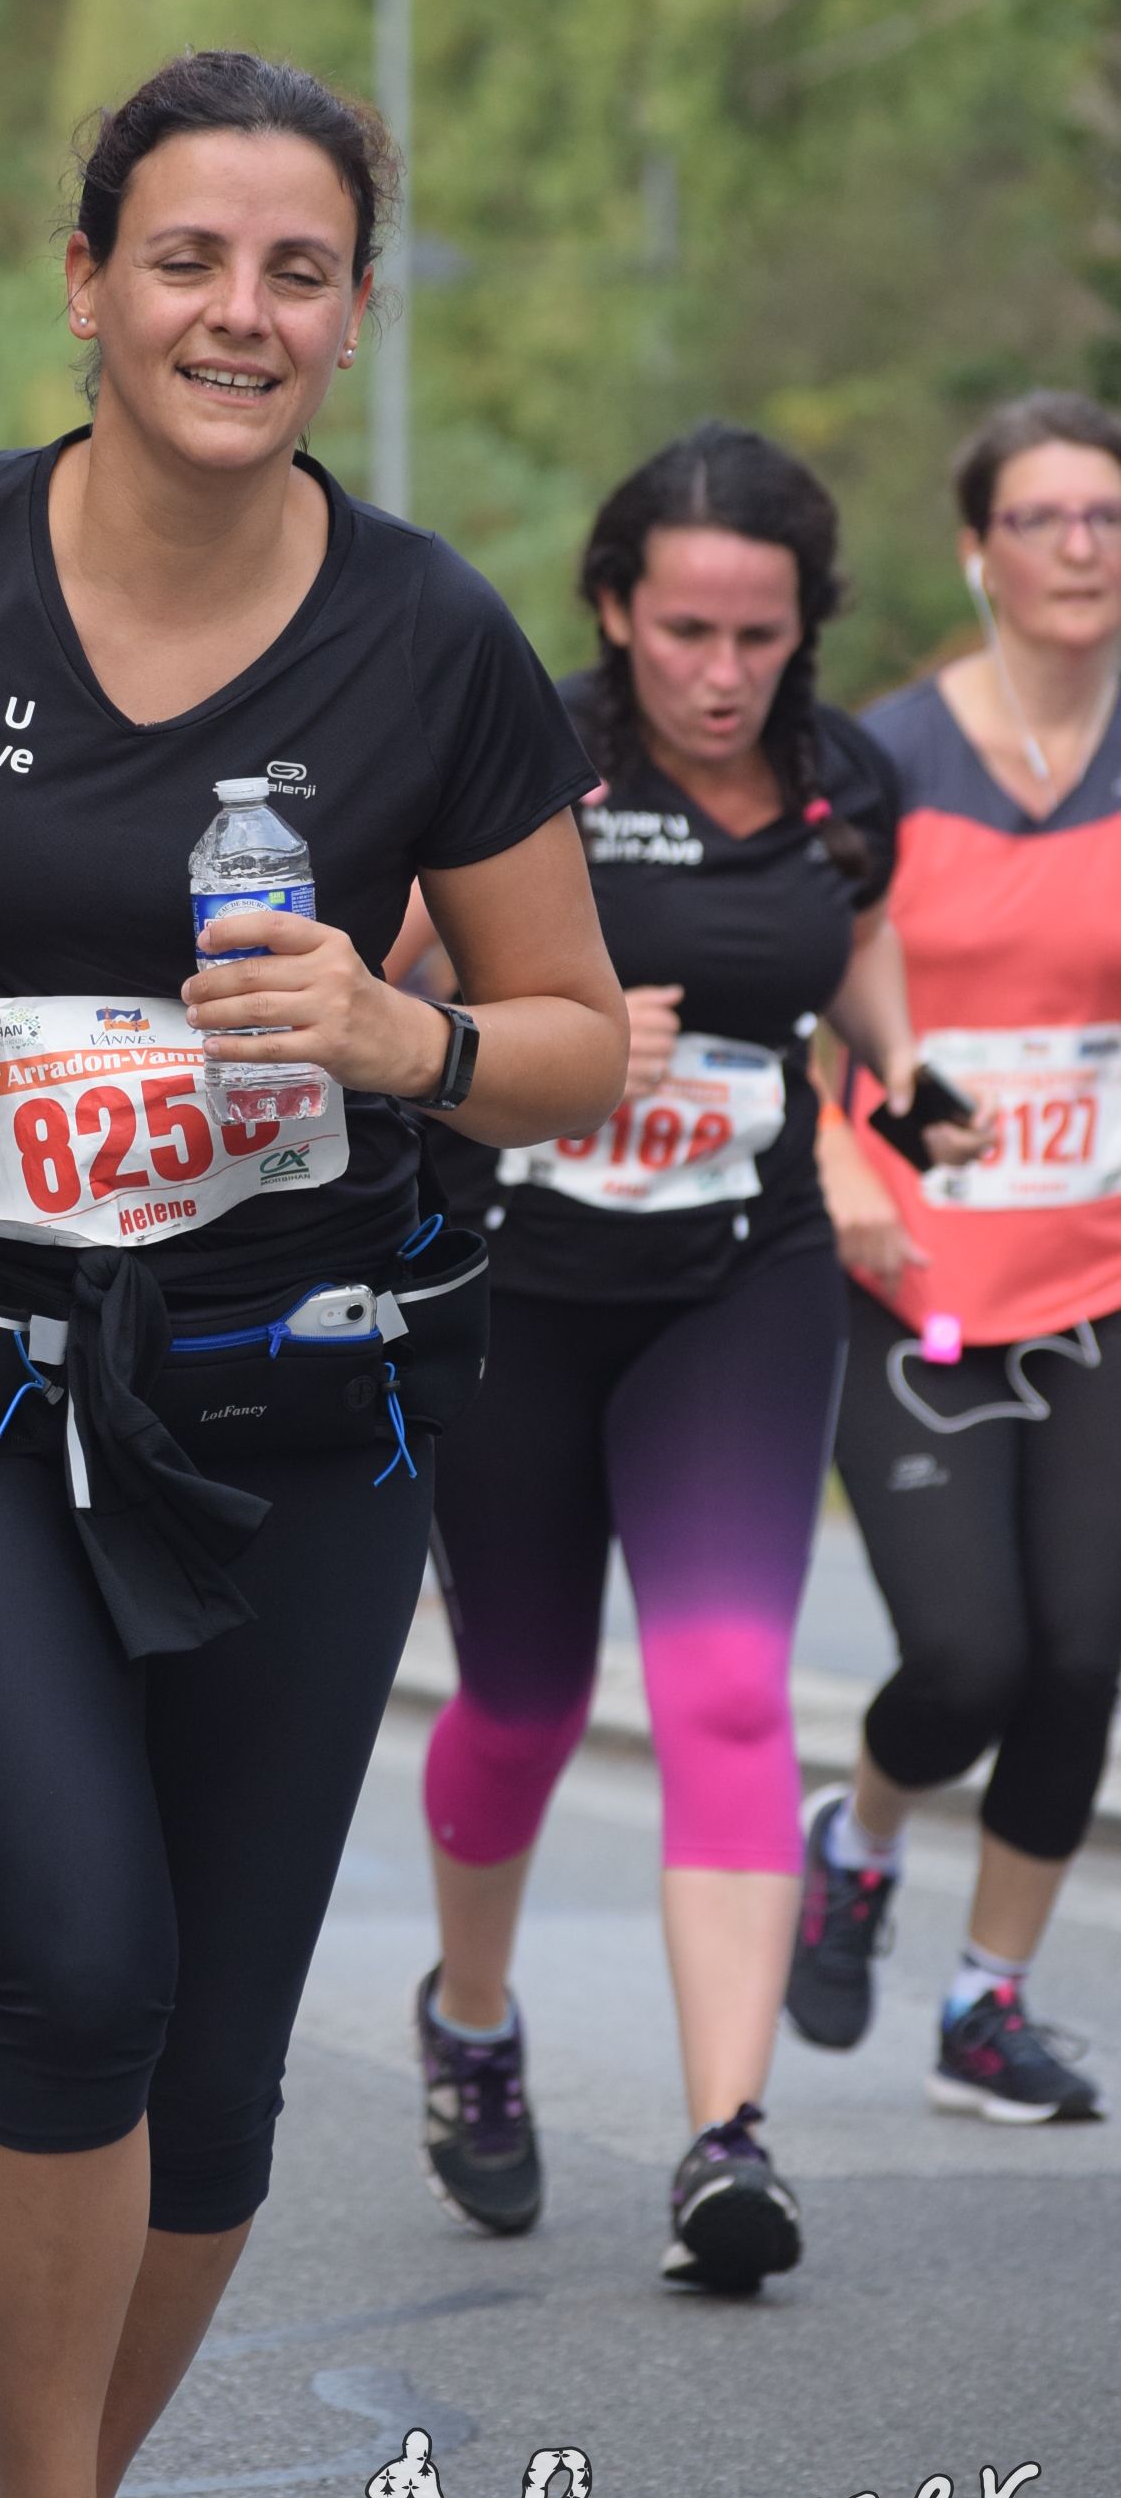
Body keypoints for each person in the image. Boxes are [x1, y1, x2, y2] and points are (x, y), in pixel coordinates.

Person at [0, 47, 626, 2498]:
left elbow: (575, 1042)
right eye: (186, 256)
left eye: (297, 269)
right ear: (85, 283)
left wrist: (402, 1035)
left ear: (354, 312)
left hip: (296, 1381)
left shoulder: (430, 638)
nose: (238, 311)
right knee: (78, 1952)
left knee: (212, 2069)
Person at [414, 424, 983, 2294]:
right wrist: (549, 1026)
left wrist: (906, 1068)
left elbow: (853, 940)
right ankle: (470, 2017)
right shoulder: (524, 754)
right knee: (520, 1707)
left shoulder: (842, 774)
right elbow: (390, 982)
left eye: (759, 635)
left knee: (731, 1685)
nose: (723, 674)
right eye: (685, 632)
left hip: (740, 1279)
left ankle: (728, 2137)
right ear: (613, 609)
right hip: (518, 1288)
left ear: (807, 627)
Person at [793, 388, 1121, 2124]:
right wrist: (845, 1158)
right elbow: (785, 992)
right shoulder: (884, 761)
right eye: (1044, 517)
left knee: (1083, 1652)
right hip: (904, 1269)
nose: (1081, 546)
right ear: (980, 551)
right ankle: (855, 1839)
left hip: (1097, 1278)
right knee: (970, 1659)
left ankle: (989, 2002)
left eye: (1107, 516)